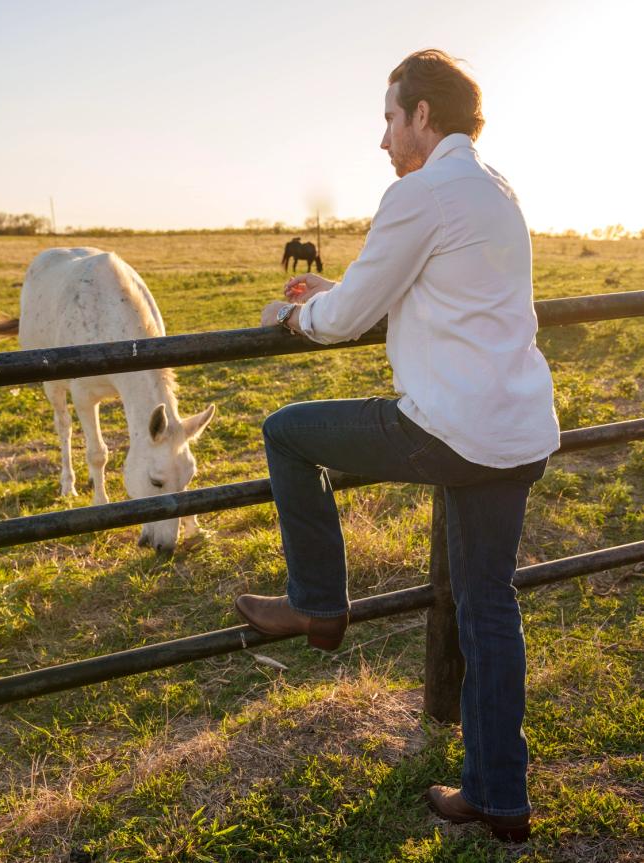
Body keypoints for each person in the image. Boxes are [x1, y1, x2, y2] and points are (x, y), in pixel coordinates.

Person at [235, 48, 560, 842]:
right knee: (489, 610)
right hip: (515, 430)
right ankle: (500, 797)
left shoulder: (421, 191)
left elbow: (347, 320)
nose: (381, 138)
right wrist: (332, 290)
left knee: (285, 431)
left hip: (452, 428)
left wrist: (294, 315)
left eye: (389, 117)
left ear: (423, 115)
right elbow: (407, 283)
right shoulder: (492, 187)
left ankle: (317, 602)